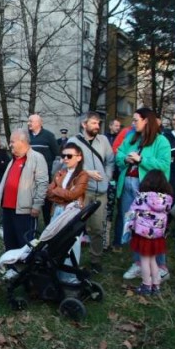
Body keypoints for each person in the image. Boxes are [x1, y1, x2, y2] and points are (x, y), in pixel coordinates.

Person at [116, 108, 172, 281]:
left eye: (136, 120)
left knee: (152, 227)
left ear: (146, 120)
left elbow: (164, 165)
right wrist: (126, 159)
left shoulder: (161, 141)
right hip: (128, 185)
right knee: (133, 225)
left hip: (149, 191)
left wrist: (142, 160)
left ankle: (160, 266)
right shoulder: (132, 138)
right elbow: (118, 155)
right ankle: (139, 263)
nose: (133, 123)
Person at [67, 112, 114, 273]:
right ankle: (72, 260)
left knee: (98, 229)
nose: (97, 126)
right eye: (93, 123)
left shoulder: (104, 141)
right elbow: (69, 165)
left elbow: (110, 161)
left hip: (100, 192)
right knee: (75, 227)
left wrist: (107, 177)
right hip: (82, 192)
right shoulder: (73, 142)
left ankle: (96, 260)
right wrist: (86, 173)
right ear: (84, 124)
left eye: (98, 123)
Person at [0, 129, 49, 255]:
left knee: (25, 242)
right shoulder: (13, 159)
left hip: (25, 211)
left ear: (22, 141)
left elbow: (42, 184)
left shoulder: (37, 158)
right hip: (7, 209)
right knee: (9, 240)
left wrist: (37, 205)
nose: (10, 144)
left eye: (12, 141)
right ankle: (12, 268)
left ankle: (25, 269)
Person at [47, 143, 89, 283]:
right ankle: (56, 275)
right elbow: (48, 193)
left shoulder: (82, 175)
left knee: (71, 244)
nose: (65, 158)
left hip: (71, 213)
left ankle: (70, 277)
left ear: (79, 157)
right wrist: (60, 193)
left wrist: (57, 191)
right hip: (57, 210)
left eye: (69, 156)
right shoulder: (60, 172)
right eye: (63, 155)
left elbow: (74, 195)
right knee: (55, 242)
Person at [128, 170, 173, 295]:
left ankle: (146, 285)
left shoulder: (141, 197)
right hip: (157, 235)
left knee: (144, 260)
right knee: (153, 259)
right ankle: (156, 285)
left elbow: (131, 213)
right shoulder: (167, 200)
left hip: (142, 234)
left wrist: (129, 228)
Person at [28, 114, 60, 225]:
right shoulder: (26, 137)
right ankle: (32, 230)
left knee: (46, 206)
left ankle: (48, 229)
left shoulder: (49, 136)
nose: (29, 123)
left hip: (45, 178)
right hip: (30, 178)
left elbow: (57, 156)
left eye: (31, 121)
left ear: (39, 123)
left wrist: (53, 175)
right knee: (31, 205)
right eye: (28, 121)